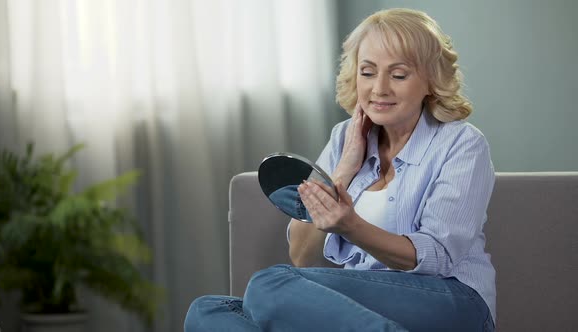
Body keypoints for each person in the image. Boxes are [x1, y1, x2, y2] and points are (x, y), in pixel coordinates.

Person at [185, 8, 496, 331]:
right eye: (368, 72)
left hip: (453, 302)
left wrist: (351, 226)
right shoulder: (344, 137)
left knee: (269, 286)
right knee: (208, 311)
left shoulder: (461, 144)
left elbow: (438, 257)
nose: (380, 88)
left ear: (431, 81)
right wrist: (343, 171)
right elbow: (302, 255)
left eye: (399, 75)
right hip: (363, 308)